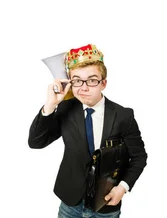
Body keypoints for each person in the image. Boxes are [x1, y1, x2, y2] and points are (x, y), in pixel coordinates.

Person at [28, 44, 148, 217]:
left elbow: (139, 157)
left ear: (103, 83)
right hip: (70, 202)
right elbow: (36, 143)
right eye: (77, 80)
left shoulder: (123, 116)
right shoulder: (65, 109)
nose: (83, 87)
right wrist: (50, 105)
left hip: (106, 203)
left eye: (92, 80)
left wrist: (122, 187)